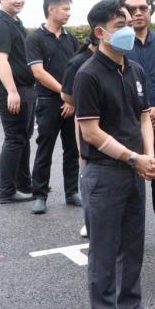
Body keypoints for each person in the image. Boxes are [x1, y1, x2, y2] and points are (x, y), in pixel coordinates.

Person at [72, 0, 155, 309]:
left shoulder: (134, 70)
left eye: (129, 23)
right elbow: (91, 132)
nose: (129, 29)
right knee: (104, 252)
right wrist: (134, 158)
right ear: (100, 33)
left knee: (132, 246)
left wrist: (149, 155)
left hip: (133, 168)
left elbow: (144, 116)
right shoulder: (88, 75)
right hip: (105, 173)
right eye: (120, 25)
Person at [122, 0, 155, 246]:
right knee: (127, 182)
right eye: (132, 9)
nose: (138, 13)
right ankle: (126, 237)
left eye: (143, 8)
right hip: (129, 123)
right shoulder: (120, 45)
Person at [26, 0, 81, 215]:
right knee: (45, 149)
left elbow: (79, 69)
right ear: (51, 9)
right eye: (65, 9)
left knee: (72, 149)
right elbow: (39, 73)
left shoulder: (71, 39)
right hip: (48, 102)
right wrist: (65, 94)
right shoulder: (34, 39)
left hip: (71, 103)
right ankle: (39, 195)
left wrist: (72, 99)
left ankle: (72, 192)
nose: (69, 13)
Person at [0, 0, 36, 204]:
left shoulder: (15, 22)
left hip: (25, 89)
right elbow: (0, 60)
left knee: (23, 138)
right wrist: (12, 92)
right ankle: (7, 191)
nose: (18, 0)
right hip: (10, 90)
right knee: (15, 138)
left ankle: (24, 184)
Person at [61, 33, 98, 240]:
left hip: (119, 124)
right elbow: (67, 95)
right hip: (88, 122)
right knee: (87, 167)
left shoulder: (123, 60)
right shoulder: (78, 63)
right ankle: (89, 219)